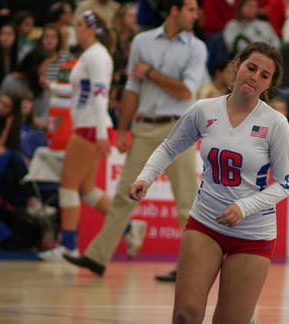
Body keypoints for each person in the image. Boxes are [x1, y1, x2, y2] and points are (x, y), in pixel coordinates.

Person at [128, 41, 289, 324]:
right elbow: (169, 146)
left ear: (270, 83)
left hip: (253, 235)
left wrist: (244, 207)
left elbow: (285, 184)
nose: (255, 77)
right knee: (185, 315)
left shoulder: (275, 124)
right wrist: (145, 177)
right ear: (236, 66)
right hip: (205, 223)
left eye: (264, 75)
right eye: (251, 68)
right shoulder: (204, 110)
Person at [62, 0, 207, 279]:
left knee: (187, 203)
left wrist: (150, 73)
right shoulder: (142, 41)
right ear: (174, 10)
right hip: (144, 127)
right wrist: (122, 129)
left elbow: (185, 92)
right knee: (124, 195)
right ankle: (96, 257)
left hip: (179, 129)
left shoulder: (197, 47)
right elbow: (131, 88)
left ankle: (190, 268)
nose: (195, 15)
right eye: (190, 9)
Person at [37, 10, 115, 261]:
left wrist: (102, 134)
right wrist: (53, 87)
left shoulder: (97, 57)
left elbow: (101, 96)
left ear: (92, 30)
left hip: (91, 127)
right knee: (86, 188)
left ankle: (68, 246)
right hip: (88, 125)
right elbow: (78, 89)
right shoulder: (88, 56)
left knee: (67, 185)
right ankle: (129, 227)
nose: (75, 29)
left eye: (80, 25)